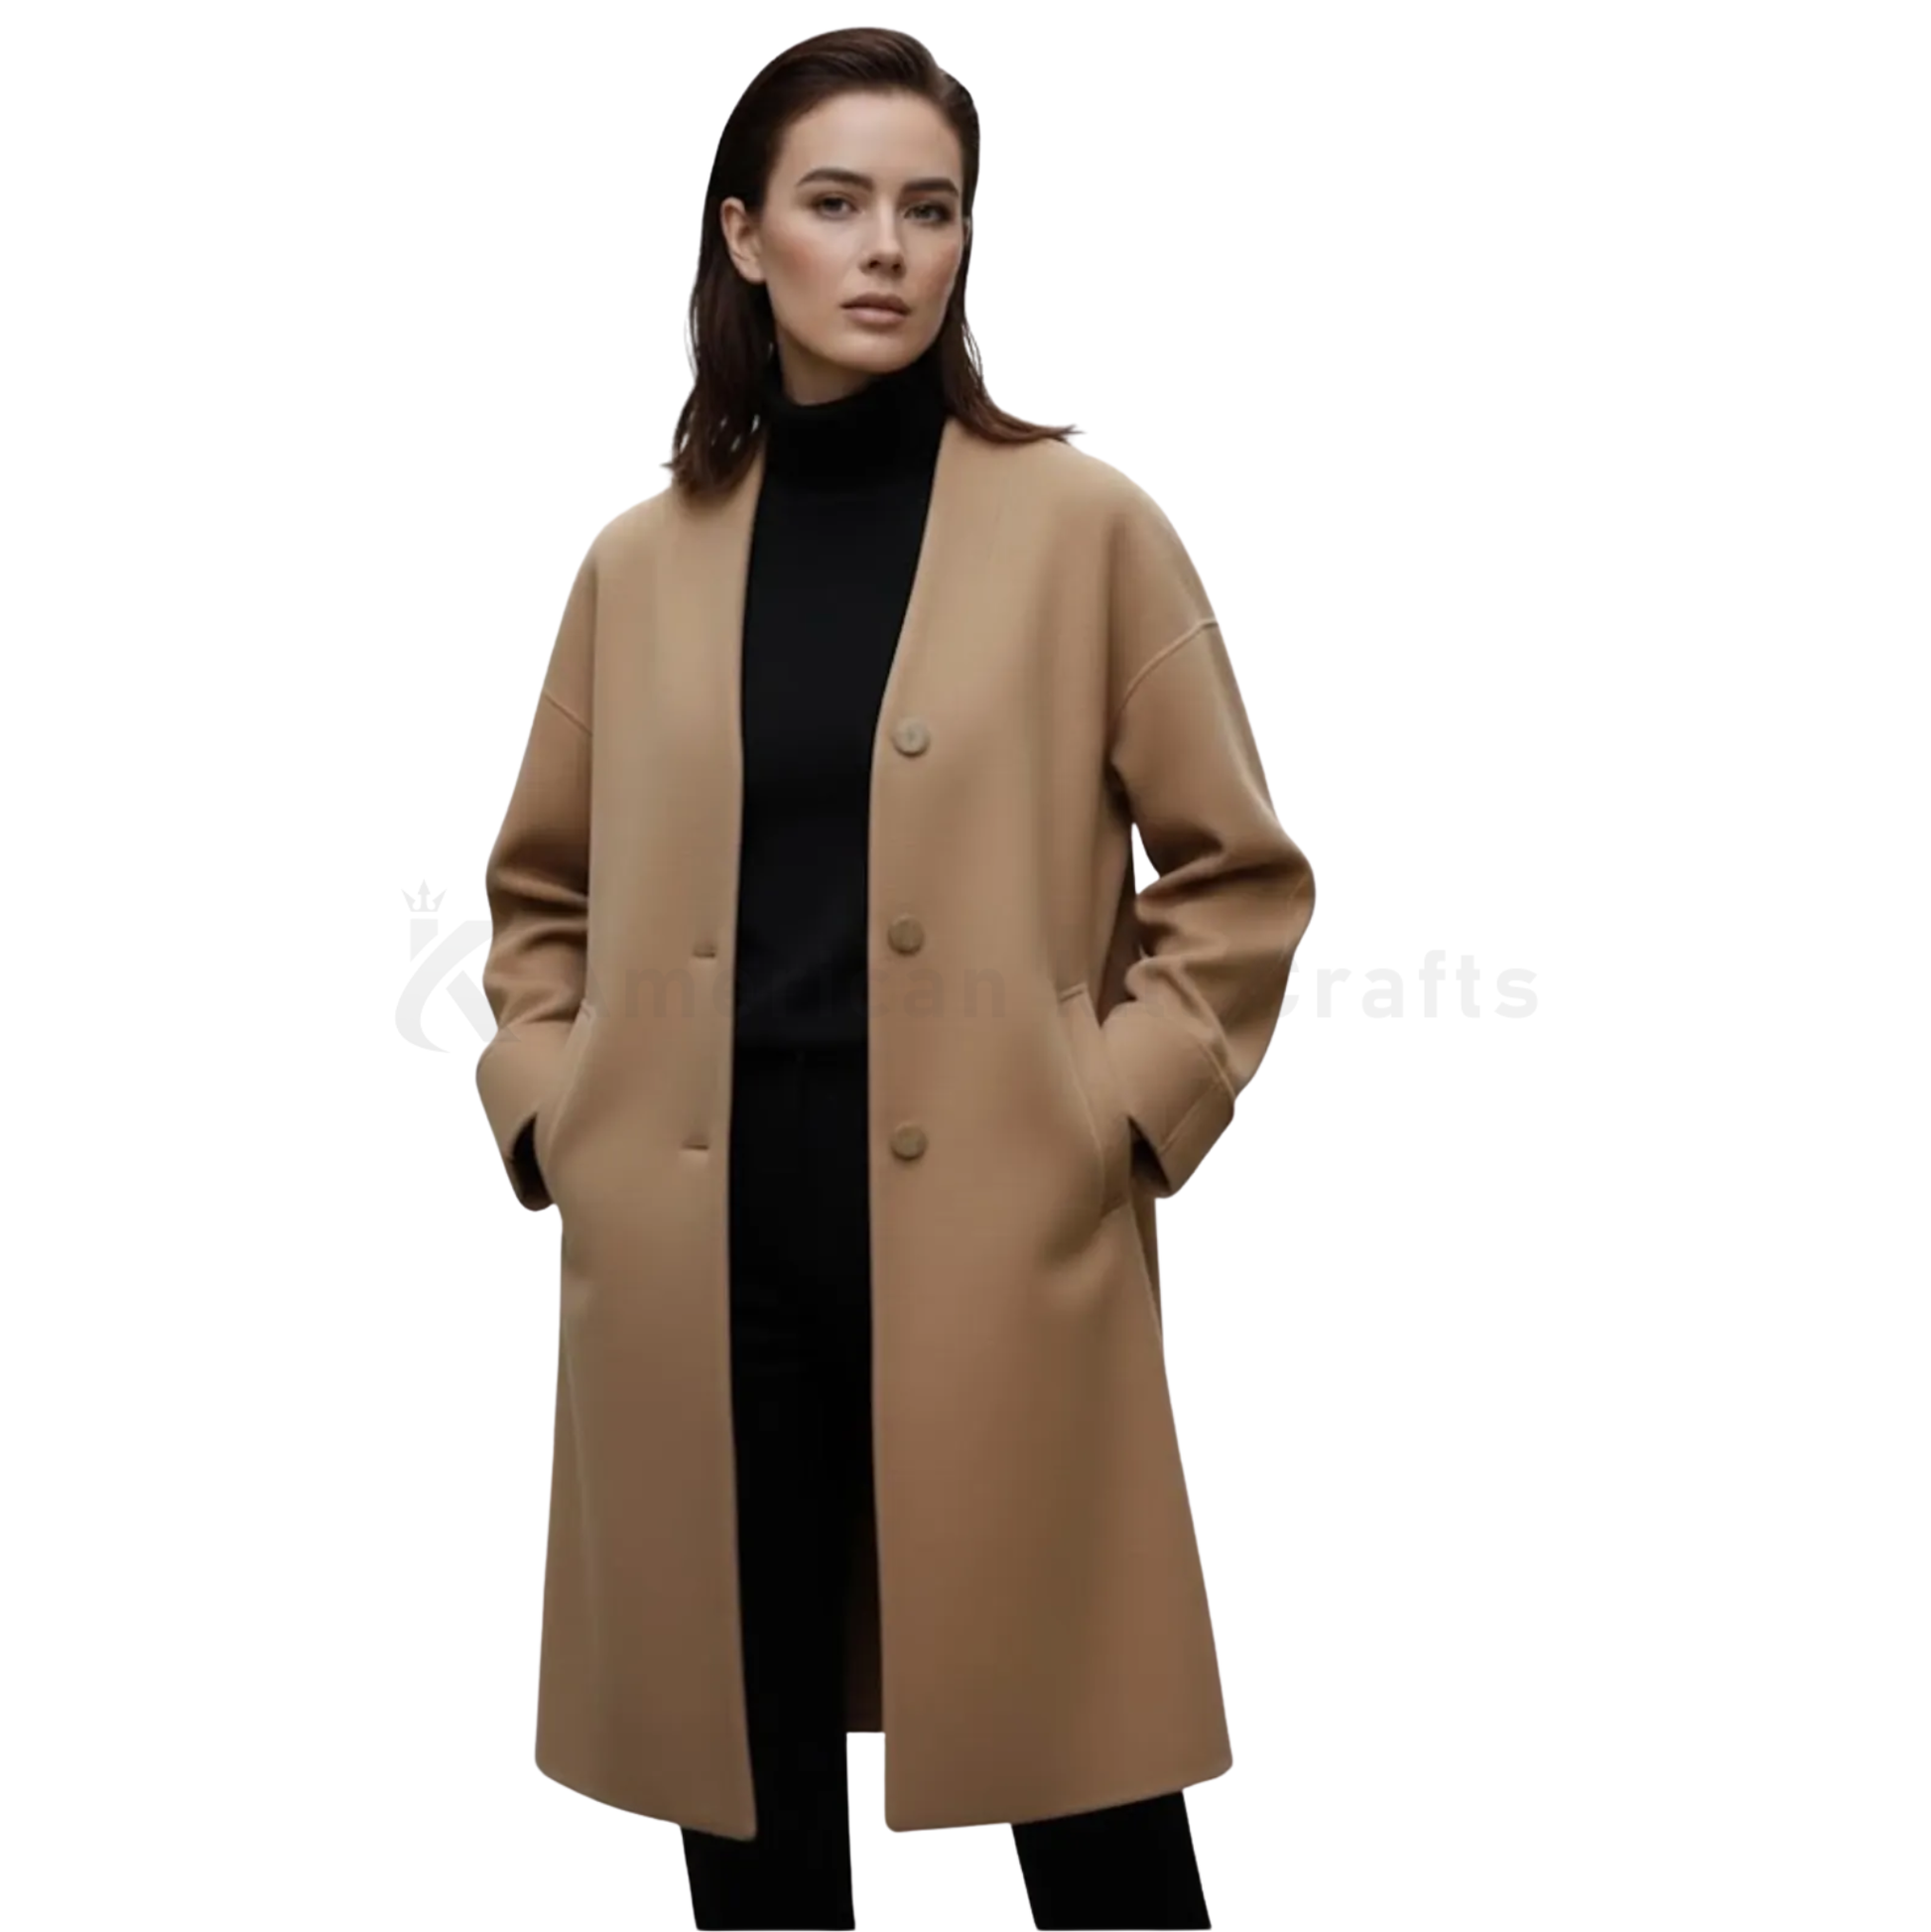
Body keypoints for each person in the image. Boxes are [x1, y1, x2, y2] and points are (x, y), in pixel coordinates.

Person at [473, 27, 1315, 1931]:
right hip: (696, 1245)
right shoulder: (639, 564)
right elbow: (537, 892)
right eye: (837, 202)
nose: (885, 249)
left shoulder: (1085, 528)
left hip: (1000, 1231)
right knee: (748, 1804)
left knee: (1086, 1789)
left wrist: (1108, 1119)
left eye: (928, 209)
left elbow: (1238, 877)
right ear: (742, 234)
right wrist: (553, 1117)